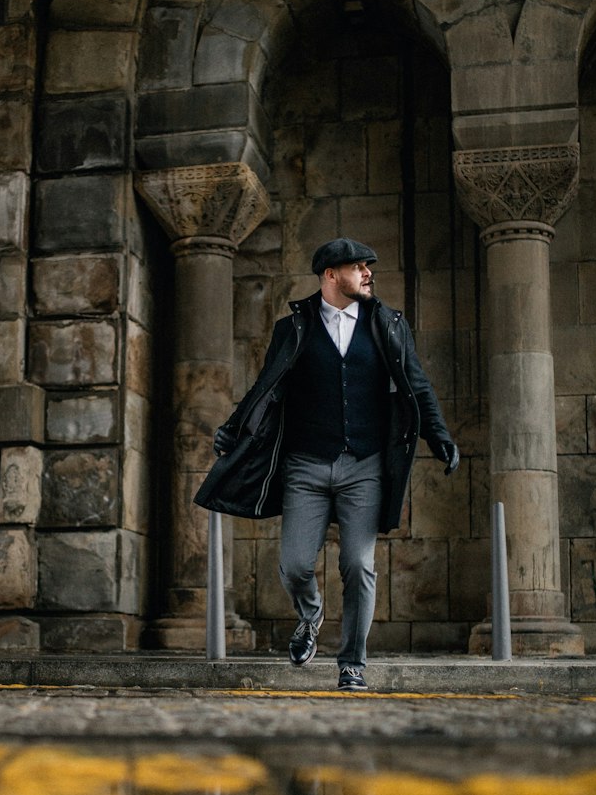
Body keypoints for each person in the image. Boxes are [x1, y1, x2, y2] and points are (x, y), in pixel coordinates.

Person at [194, 237, 458, 690]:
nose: (369, 274)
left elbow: (419, 387)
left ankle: (352, 662)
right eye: (359, 267)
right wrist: (235, 427)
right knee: (295, 564)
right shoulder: (293, 327)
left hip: (365, 465)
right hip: (305, 467)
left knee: (359, 563)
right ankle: (310, 616)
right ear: (331, 275)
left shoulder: (388, 324)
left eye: (368, 267)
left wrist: (440, 435)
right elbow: (266, 386)